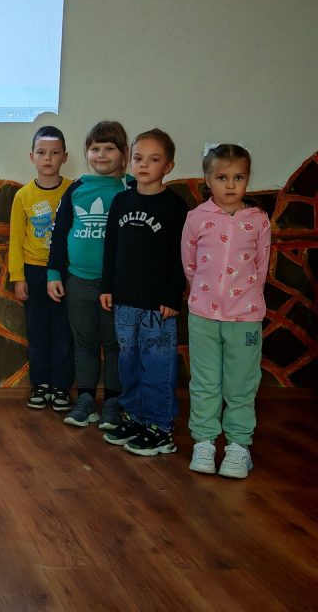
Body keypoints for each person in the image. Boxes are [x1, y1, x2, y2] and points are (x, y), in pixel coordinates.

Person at [181, 144, 271, 478]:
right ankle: (204, 442)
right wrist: (204, 297)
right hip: (203, 316)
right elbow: (189, 265)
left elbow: (261, 267)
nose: (231, 185)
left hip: (245, 318)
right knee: (205, 381)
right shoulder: (196, 218)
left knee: (241, 383)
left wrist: (248, 300)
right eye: (222, 177)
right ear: (208, 179)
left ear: (247, 179)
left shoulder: (258, 220)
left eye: (239, 177)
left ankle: (238, 446)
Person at [100, 129, 189, 456]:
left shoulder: (175, 207)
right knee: (129, 363)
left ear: (168, 166)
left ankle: (160, 427)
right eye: (138, 158)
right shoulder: (121, 201)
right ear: (129, 160)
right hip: (124, 302)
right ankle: (135, 418)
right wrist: (107, 286)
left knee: (157, 365)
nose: (144, 165)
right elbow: (111, 248)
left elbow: (181, 256)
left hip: (158, 306)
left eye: (154, 159)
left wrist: (172, 296)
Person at [47, 120, 133, 424]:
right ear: (86, 152)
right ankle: (85, 399)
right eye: (95, 148)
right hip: (78, 281)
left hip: (116, 285)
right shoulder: (76, 189)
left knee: (113, 344)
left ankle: (112, 403)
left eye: (110, 148)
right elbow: (59, 235)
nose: (102, 154)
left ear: (124, 153)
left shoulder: (130, 188)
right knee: (84, 342)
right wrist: (53, 274)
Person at [9, 125, 74, 410]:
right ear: (31, 157)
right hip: (33, 271)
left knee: (63, 332)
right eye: (41, 152)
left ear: (64, 157)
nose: (48, 158)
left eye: (55, 153)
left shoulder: (73, 191)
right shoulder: (23, 196)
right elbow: (15, 239)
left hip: (66, 272)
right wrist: (18, 277)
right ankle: (41, 384)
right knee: (37, 332)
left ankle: (61, 387)